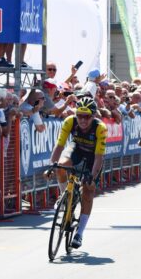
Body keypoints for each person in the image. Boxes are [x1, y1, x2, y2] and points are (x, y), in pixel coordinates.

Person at [49, 97, 107, 249]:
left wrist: (92, 177)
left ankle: (79, 233)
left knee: (88, 190)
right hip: (76, 149)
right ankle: (65, 196)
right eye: (79, 115)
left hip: (93, 156)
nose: (82, 120)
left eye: (86, 116)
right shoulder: (69, 121)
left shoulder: (100, 128)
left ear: (93, 116)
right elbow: (59, 145)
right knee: (60, 166)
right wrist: (51, 165)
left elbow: (99, 157)